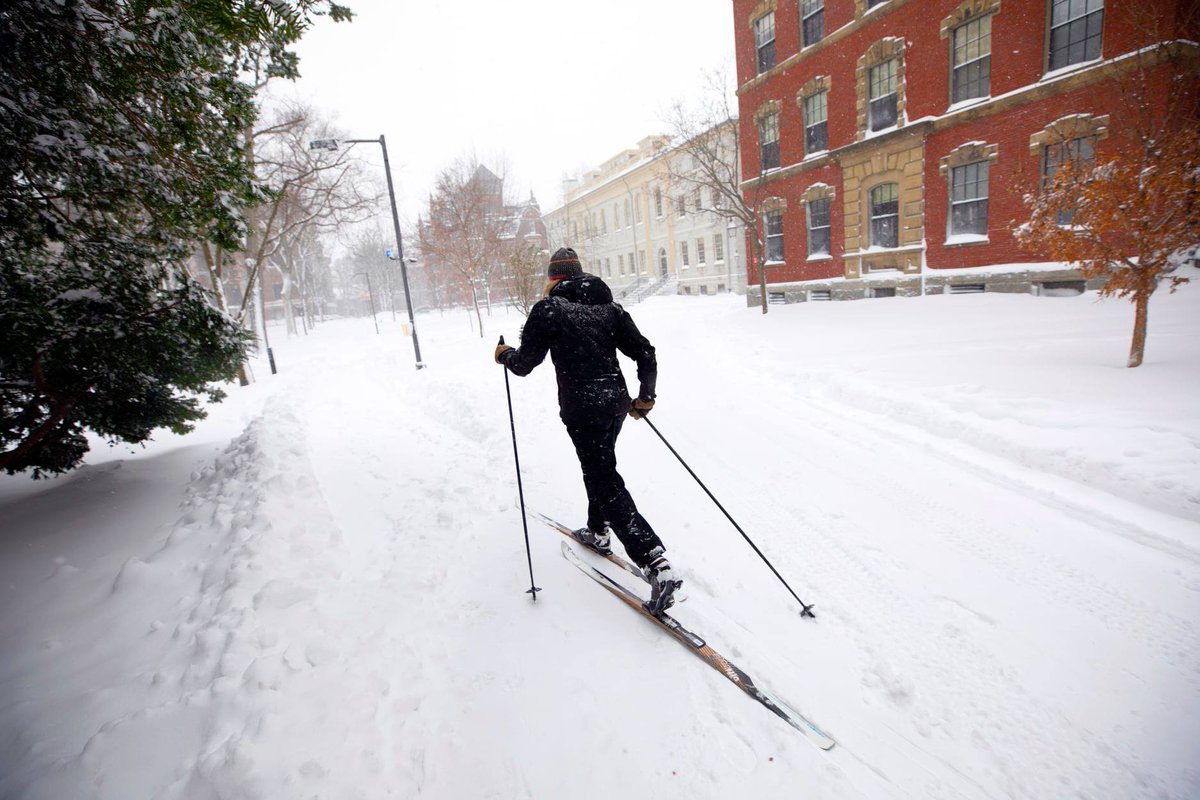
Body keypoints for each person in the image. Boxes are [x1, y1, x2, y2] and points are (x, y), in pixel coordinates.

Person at [495, 247, 683, 614]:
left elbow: (523, 365)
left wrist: (503, 355)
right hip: (614, 405)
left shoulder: (548, 309)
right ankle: (598, 532)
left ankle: (656, 564)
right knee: (600, 469)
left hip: (583, 410)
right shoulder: (610, 309)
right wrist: (645, 397)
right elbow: (645, 353)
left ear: (554, 279)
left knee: (604, 480)